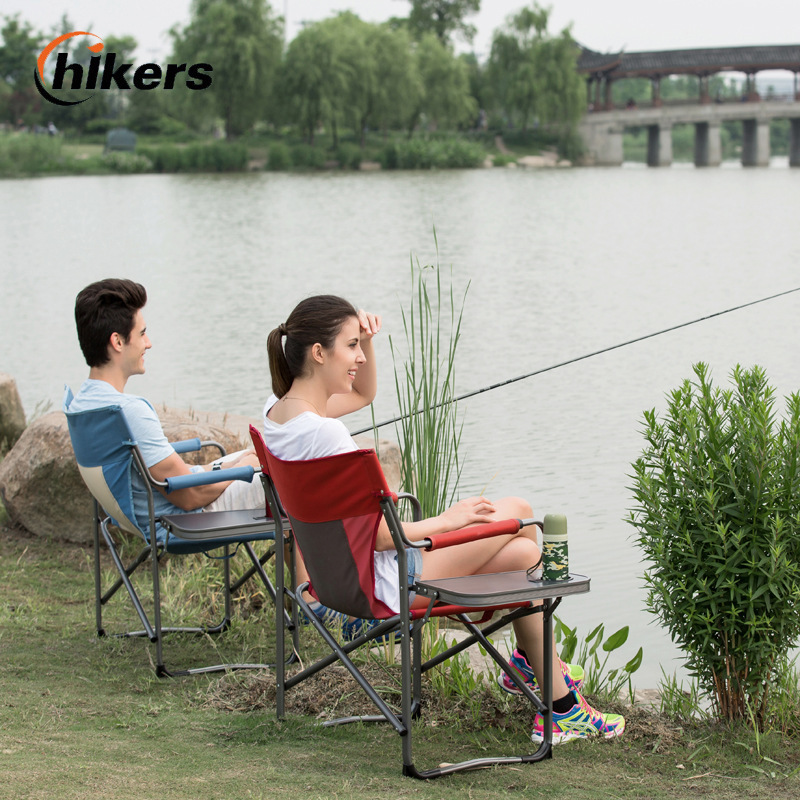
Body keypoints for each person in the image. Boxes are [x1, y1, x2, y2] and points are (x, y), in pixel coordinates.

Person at [262, 294, 625, 744]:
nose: (359, 356)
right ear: (319, 353)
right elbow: (377, 536)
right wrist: (447, 521)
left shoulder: (276, 416)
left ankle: (542, 681)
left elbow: (364, 394)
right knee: (520, 511)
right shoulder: (326, 433)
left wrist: (371, 343)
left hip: (337, 581)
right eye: (352, 346)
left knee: (524, 553)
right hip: (387, 581)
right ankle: (554, 700)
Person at [68, 278, 263, 532]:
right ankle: (310, 573)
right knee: (289, 477)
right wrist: (245, 468)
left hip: (145, 516)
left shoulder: (82, 405)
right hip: (186, 520)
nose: (148, 343)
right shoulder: (130, 411)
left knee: (259, 456)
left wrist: (231, 465)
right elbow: (190, 495)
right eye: (141, 333)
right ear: (117, 342)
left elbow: (170, 475)